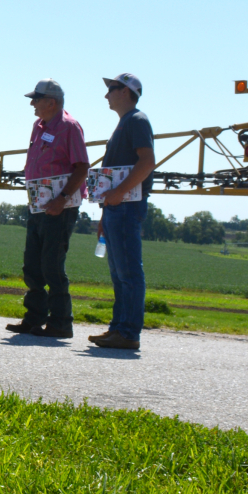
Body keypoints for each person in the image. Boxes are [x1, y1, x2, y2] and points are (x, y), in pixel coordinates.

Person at [8, 79, 88, 340]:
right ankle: (34, 318)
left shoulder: (69, 127)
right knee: (32, 264)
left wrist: (62, 198)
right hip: (39, 206)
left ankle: (61, 322)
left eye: (36, 99)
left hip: (60, 208)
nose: (32, 103)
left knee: (52, 264)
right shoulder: (38, 126)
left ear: (51, 102)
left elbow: (82, 167)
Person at [91, 73, 155, 352]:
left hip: (127, 207)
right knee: (119, 273)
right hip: (117, 208)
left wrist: (117, 195)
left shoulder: (137, 121)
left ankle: (129, 332)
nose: (107, 95)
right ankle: (118, 328)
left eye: (112, 89)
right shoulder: (125, 123)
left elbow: (147, 162)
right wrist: (106, 212)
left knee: (128, 272)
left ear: (127, 91)